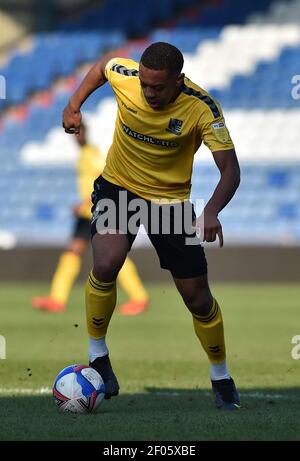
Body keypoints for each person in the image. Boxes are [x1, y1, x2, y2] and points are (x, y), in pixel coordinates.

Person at [62, 42, 241, 410]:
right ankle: (99, 357)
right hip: (119, 188)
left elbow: (231, 171)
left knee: (198, 299)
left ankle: (221, 376)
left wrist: (211, 211)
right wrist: (73, 104)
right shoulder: (126, 76)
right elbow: (101, 67)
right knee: (106, 263)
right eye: (144, 84)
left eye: (158, 87)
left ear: (179, 80)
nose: (148, 93)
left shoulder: (201, 107)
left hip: (169, 203)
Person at [31, 123, 149, 315]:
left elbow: (105, 178)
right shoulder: (84, 154)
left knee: (112, 255)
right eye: (74, 134)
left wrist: (85, 201)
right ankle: (56, 299)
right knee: (72, 252)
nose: (76, 137)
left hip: (98, 210)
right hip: (87, 214)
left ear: (86, 132)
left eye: (79, 132)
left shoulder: (91, 154)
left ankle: (139, 298)